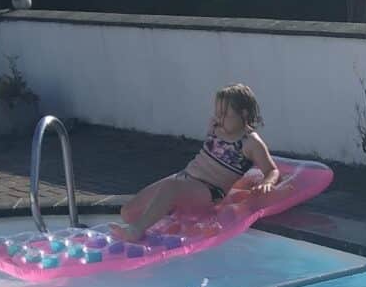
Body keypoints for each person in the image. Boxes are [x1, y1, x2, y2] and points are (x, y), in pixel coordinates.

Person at [115, 84, 279, 239]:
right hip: (186, 178)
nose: (219, 118)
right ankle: (166, 212)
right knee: (128, 212)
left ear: (243, 114)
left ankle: (136, 231)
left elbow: (272, 170)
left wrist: (267, 183)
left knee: (171, 187)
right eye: (217, 113)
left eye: (225, 114)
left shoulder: (250, 142)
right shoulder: (215, 127)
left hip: (209, 192)